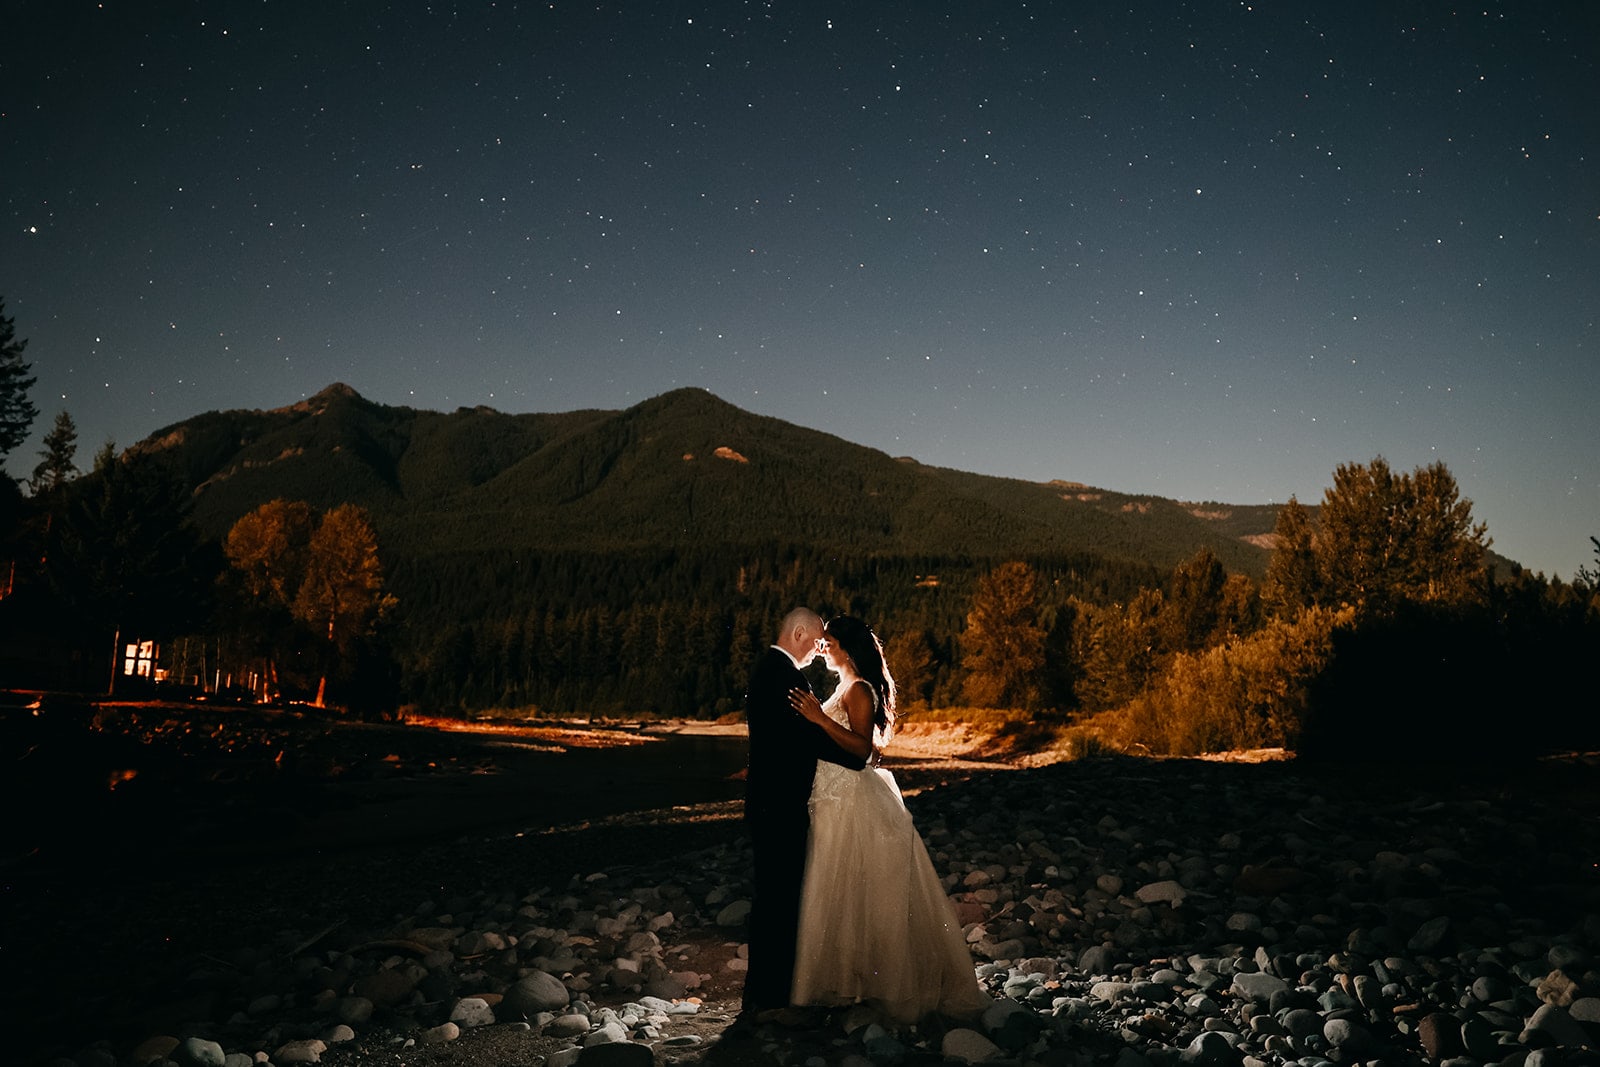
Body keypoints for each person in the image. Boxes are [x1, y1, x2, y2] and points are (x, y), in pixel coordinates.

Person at [787, 615, 988, 1022]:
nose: (823, 648)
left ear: (846, 647)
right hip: (831, 797)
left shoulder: (858, 689)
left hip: (850, 799)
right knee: (839, 891)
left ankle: (864, 988)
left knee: (851, 890)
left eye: (828, 642)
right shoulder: (846, 686)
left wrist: (819, 720)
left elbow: (862, 752)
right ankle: (848, 985)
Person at [741, 606, 868, 1015]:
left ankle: (764, 996)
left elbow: (785, 740)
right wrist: (852, 757)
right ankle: (770, 1000)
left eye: (824, 644)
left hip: (772, 802)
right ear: (798, 632)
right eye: (815, 641)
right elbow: (804, 740)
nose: (817, 651)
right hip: (781, 806)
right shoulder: (785, 676)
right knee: (779, 903)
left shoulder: (771, 671)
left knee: (775, 900)